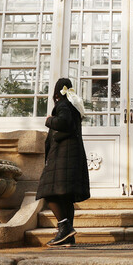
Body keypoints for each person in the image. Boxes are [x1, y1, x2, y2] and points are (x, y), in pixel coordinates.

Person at [36, 78, 90, 246]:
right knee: (66, 197)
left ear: (56, 91)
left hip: (62, 157)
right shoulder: (73, 106)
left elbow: (64, 123)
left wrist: (48, 120)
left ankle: (64, 227)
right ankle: (68, 236)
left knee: (48, 192)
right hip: (71, 157)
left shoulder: (63, 104)